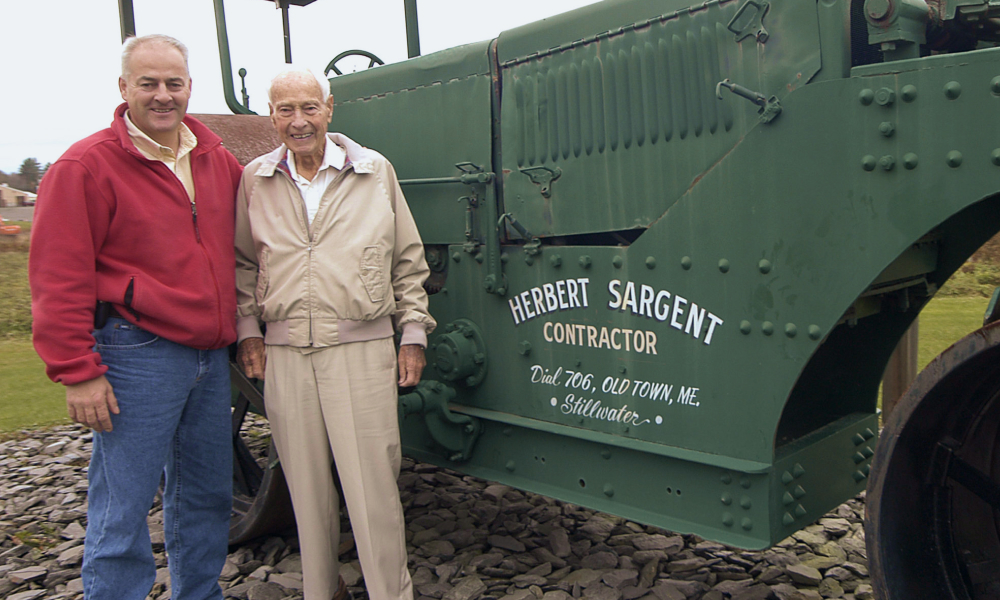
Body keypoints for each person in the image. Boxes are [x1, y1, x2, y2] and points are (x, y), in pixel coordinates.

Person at [29, 35, 243, 600]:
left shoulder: (217, 161)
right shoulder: (84, 166)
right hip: (135, 351)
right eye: (147, 83)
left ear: (190, 87)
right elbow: (58, 276)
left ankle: (200, 594)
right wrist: (77, 369)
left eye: (174, 83)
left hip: (208, 355)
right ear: (123, 88)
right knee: (123, 506)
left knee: (205, 496)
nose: (163, 95)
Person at [234, 68, 435, 600]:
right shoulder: (254, 178)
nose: (298, 122)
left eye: (308, 108)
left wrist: (412, 331)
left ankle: (391, 593)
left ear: (329, 108)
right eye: (284, 111)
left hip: (362, 349)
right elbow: (241, 262)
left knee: (372, 488)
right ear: (271, 116)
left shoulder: (373, 171)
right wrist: (248, 330)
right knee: (305, 487)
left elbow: (407, 259)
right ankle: (322, 591)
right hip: (286, 354)